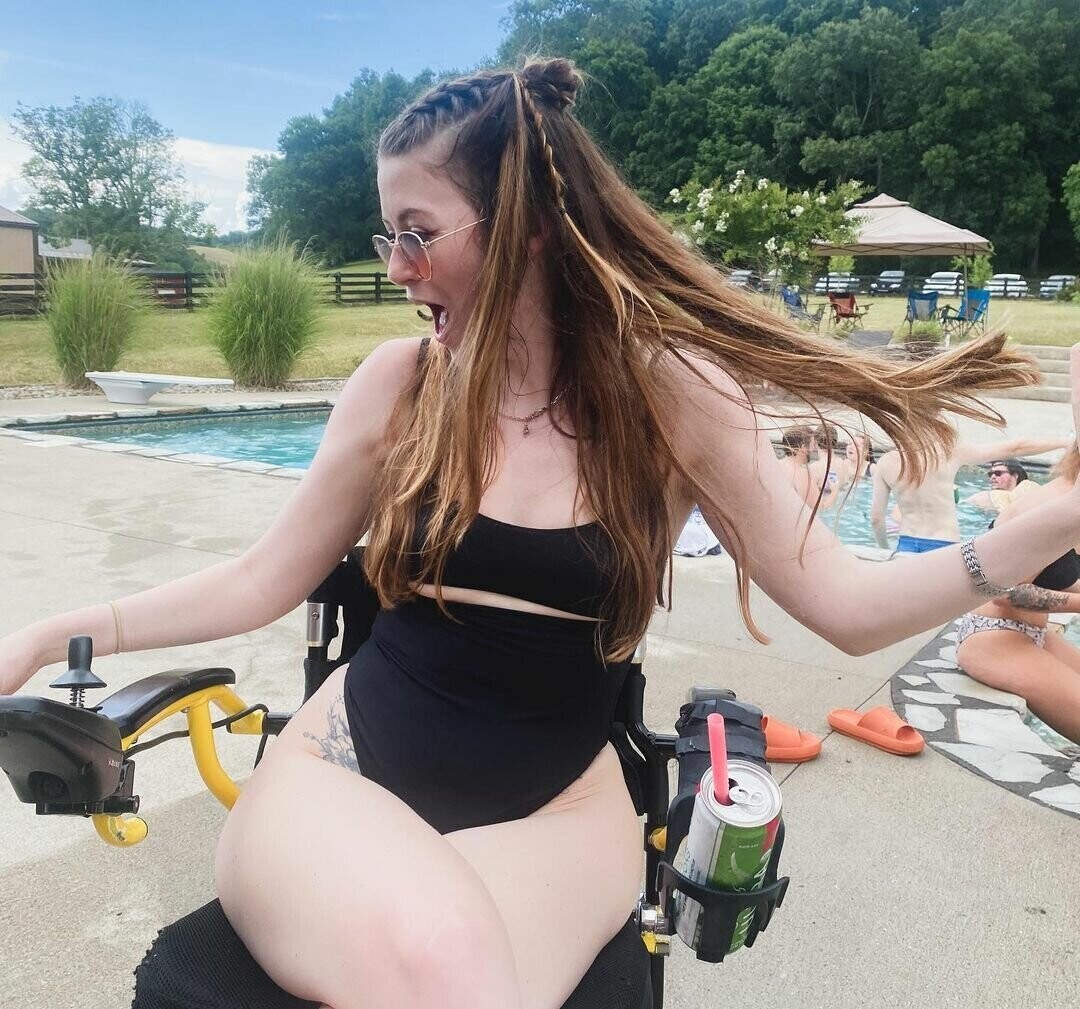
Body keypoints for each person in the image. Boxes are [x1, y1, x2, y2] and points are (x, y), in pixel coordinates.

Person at [0, 57, 1073, 1009]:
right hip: (347, 768)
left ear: (525, 226)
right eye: (388, 235)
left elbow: (849, 608)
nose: (397, 265)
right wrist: (56, 632)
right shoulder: (401, 385)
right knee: (444, 960)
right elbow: (258, 577)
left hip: (556, 803)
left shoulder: (671, 399)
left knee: (462, 981)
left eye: (418, 232)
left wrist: (1056, 519)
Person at [956, 446, 1080, 743]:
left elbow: (1056, 574)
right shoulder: (1055, 507)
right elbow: (1002, 591)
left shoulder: (1069, 497)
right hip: (993, 634)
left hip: (1031, 633)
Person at [870, 435, 1071, 552]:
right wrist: (1063, 442)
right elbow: (1015, 447)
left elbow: (876, 519)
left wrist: (885, 549)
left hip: (906, 543)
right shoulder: (948, 451)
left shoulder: (886, 462)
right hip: (944, 545)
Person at [963, 458, 1039, 514]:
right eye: (990, 474)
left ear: (1015, 475)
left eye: (998, 473)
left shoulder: (1029, 491)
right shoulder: (983, 497)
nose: (993, 477)